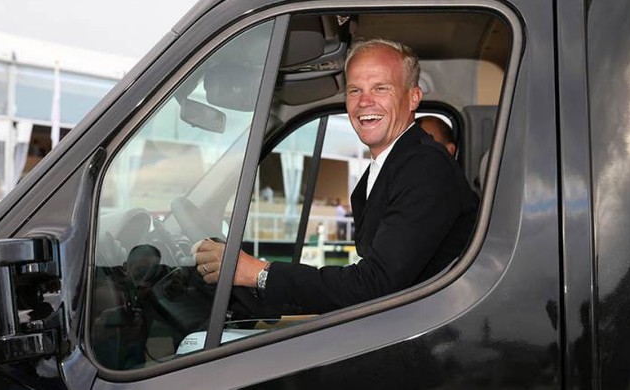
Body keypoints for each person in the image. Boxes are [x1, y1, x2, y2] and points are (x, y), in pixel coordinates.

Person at [193, 38, 478, 314]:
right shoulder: (388, 167)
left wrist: (257, 273)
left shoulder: (425, 167)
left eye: (380, 88)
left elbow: (375, 285)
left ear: (413, 97)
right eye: (354, 91)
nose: (364, 102)